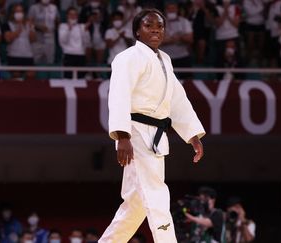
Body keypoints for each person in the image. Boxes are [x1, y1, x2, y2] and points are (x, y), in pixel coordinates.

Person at [99, 8, 205, 243]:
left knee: (135, 206)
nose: (155, 29)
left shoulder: (165, 59)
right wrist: (122, 136)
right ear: (137, 31)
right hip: (135, 131)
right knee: (157, 195)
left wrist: (192, 135)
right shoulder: (127, 58)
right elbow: (118, 95)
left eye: (159, 26)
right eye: (149, 25)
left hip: (156, 134)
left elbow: (177, 98)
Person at [160, 1, 193, 80]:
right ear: (165, 10)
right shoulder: (159, 23)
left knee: (187, 81)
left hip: (183, 56)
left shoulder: (185, 22)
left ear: (177, 9)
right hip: (165, 57)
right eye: (169, 9)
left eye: (173, 9)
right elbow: (157, 41)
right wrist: (176, 38)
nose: (171, 11)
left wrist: (175, 38)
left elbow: (190, 39)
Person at [3, 3, 36, 79]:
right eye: (17, 12)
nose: (19, 14)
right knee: (16, 77)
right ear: (12, 13)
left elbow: (33, 39)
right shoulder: (7, 24)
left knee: (31, 76)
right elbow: (8, 39)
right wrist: (19, 28)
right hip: (14, 55)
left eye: (21, 11)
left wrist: (31, 28)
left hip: (28, 55)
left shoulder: (28, 24)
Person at [58, 6, 90, 79]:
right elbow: (62, 41)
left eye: (75, 14)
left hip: (80, 55)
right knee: (68, 78)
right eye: (71, 14)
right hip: (68, 55)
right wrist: (69, 29)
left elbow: (87, 42)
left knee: (81, 78)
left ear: (77, 16)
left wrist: (85, 32)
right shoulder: (63, 26)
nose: (73, 16)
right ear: (67, 16)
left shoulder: (82, 26)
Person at [27, 0, 60, 65]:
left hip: (50, 39)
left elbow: (57, 22)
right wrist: (38, 27)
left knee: (50, 61)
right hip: (37, 39)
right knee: (35, 61)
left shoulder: (54, 8)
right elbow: (29, 23)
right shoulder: (33, 8)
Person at [242, 0, 265, 66]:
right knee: (250, 45)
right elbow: (250, 13)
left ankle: (260, 63)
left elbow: (263, 10)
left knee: (261, 46)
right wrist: (261, 8)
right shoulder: (246, 1)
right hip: (250, 24)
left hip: (261, 24)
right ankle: (248, 62)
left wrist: (258, 9)